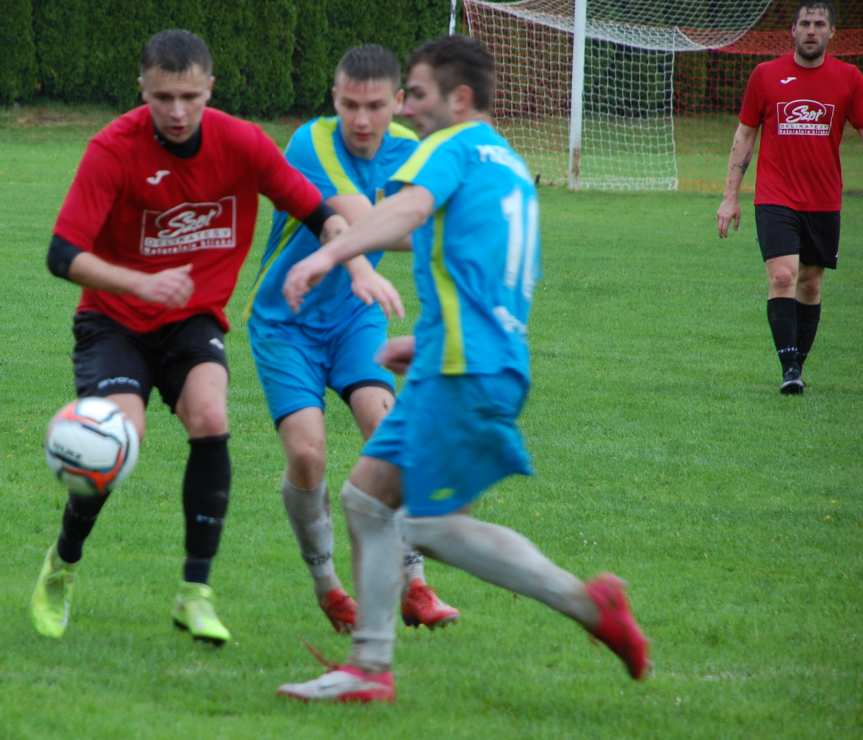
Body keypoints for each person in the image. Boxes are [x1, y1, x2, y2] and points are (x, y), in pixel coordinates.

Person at [275, 35, 649, 703]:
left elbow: (406, 213)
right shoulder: (506, 162)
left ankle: (589, 604)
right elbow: (488, 272)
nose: (407, 109)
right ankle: (368, 665)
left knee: (426, 524)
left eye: (415, 94)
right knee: (366, 499)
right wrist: (422, 342)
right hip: (470, 359)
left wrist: (327, 256)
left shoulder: (448, 147)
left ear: (460, 98)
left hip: (464, 368)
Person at [30, 29, 351, 645]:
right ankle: (62, 565)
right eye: (162, 97)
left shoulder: (242, 144)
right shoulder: (113, 148)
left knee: (209, 414)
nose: (176, 112)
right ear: (142, 91)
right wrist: (138, 284)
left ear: (210, 89)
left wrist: (343, 247)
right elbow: (60, 252)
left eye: (189, 97)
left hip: (193, 318)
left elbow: (316, 211)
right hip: (113, 318)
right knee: (121, 437)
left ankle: (194, 593)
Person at [245, 44, 459, 633]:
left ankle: (415, 584)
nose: (360, 121)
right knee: (308, 454)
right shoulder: (311, 142)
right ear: (333, 100)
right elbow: (355, 222)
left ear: (397, 102)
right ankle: (329, 588)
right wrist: (406, 246)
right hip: (285, 320)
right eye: (348, 105)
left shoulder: (410, 152)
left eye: (373, 107)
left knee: (387, 431)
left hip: (355, 319)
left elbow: (429, 226)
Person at [716, 0, 863, 394]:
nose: (811, 30)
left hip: (824, 199)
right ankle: (789, 368)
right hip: (775, 196)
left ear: (832, 32)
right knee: (783, 276)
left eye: (819, 24)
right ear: (793, 31)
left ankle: (797, 363)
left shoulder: (849, 78)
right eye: (805, 23)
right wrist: (730, 196)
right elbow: (745, 134)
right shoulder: (766, 76)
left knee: (811, 285)